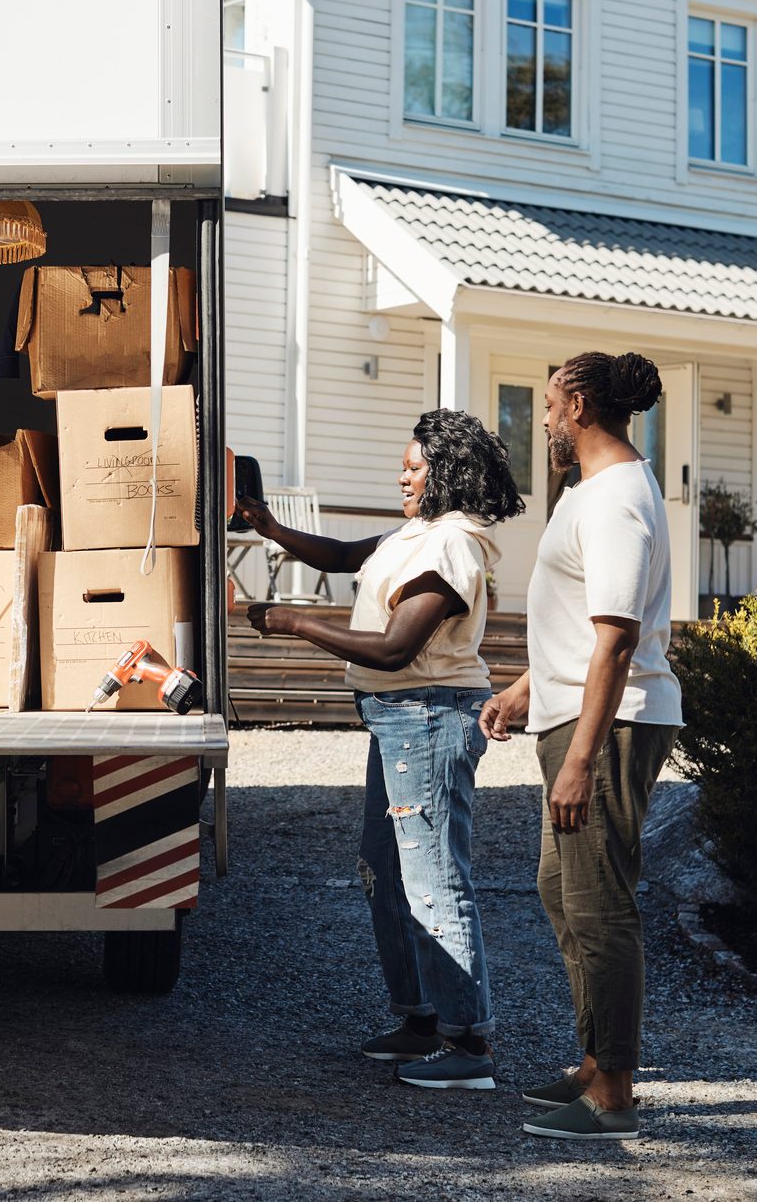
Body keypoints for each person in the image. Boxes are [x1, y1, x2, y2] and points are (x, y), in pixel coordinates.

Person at [239, 408, 524, 1090]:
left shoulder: (452, 546)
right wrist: (272, 530)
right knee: (385, 872)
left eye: (415, 466)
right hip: (398, 720)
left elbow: (397, 649)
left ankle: (468, 1044)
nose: (402, 474)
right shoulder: (416, 534)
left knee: (432, 880)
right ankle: (419, 1018)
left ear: (447, 475)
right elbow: (343, 557)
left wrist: (294, 621)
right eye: (403, 464)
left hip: (428, 717)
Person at [480, 352, 684, 1143]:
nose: (539, 420)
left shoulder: (617, 501)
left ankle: (615, 1094)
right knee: (558, 888)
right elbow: (577, 621)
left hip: (610, 721)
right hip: (574, 711)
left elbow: (617, 639)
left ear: (578, 406)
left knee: (599, 903)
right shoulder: (588, 492)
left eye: (545, 405)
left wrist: (576, 759)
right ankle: (596, 1061)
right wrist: (522, 689)